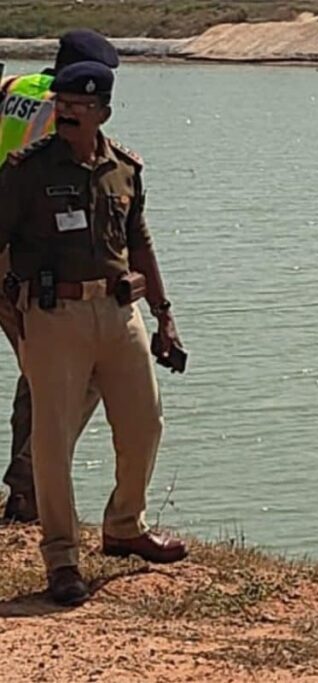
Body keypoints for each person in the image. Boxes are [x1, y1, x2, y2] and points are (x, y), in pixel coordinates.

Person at [0, 61, 187, 606]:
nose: (66, 114)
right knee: (52, 442)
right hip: (54, 317)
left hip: (119, 314)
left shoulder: (123, 169)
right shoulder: (25, 171)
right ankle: (61, 558)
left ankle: (125, 524)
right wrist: (17, 303)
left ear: (102, 111)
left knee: (143, 422)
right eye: (61, 105)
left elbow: (140, 242)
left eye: (79, 108)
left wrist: (164, 314)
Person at [0, 29, 120, 524]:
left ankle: (26, 489)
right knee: (62, 375)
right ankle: (28, 488)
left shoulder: (15, 87)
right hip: (25, 255)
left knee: (39, 371)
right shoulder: (68, 115)